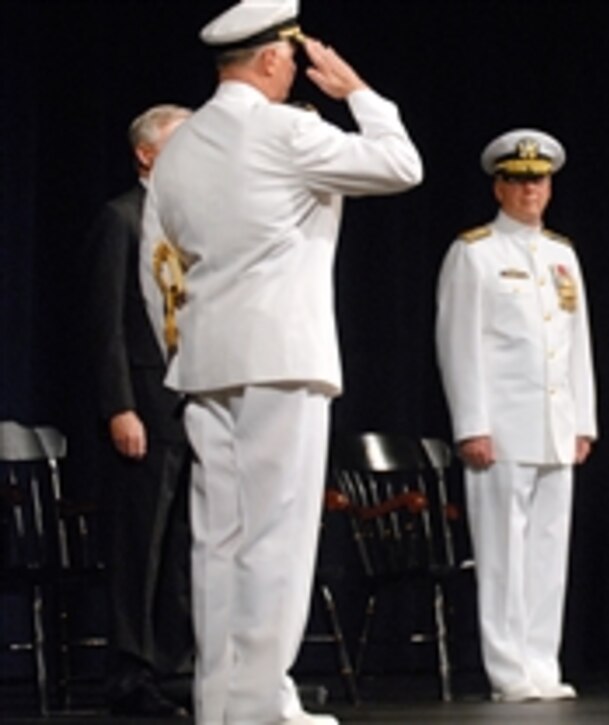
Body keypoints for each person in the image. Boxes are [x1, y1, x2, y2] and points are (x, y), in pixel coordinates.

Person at [138, 1, 423, 722]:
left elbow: (157, 267)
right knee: (277, 538)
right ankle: (261, 703)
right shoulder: (287, 128)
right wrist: (357, 91)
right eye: (292, 57)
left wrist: (185, 347)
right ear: (269, 59)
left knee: (217, 541)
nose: (298, 66)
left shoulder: (182, 145)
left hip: (206, 361)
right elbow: (402, 165)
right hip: (282, 359)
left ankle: (221, 702)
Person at [435, 129, 597, 703]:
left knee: (549, 551)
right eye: (520, 179)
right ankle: (508, 670)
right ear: (499, 186)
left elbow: (576, 343)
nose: (531, 189)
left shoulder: (561, 253)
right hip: (502, 426)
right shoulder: (475, 252)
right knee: (504, 552)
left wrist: (583, 421)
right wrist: (470, 424)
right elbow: (459, 345)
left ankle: (542, 663)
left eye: (540, 179)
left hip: (554, 423)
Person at [87, 103, 193, 718]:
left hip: (190, 407)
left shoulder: (191, 224)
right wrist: (119, 406)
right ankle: (130, 672)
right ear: (147, 154)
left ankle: (174, 665)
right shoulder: (121, 219)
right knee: (140, 547)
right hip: (144, 409)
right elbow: (105, 328)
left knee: (183, 545)